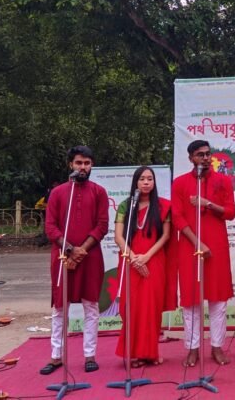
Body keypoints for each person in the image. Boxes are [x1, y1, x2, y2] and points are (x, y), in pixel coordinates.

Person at [40, 146, 109, 375]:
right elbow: (50, 227)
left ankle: (90, 355)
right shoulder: (58, 192)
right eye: (79, 163)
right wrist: (70, 249)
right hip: (62, 256)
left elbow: (102, 226)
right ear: (71, 164)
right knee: (60, 308)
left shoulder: (99, 192)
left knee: (91, 306)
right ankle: (56, 356)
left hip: (90, 257)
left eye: (87, 163)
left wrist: (81, 251)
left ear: (92, 165)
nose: (82, 167)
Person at [171, 140, 235, 367]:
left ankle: (217, 347)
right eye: (200, 154)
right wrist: (198, 242)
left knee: (218, 300)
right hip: (190, 246)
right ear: (191, 158)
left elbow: (230, 213)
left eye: (208, 154)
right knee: (191, 301)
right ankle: (192, 348)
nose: (206, 158)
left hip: (217, 246)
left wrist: (208, 204)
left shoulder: (223, 181)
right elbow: (177, 217)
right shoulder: (180, 183)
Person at [114, 166, 172, 367]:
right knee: (131, 308)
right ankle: (133, 354)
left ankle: (149, 353)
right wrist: (134, 259)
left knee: (151, 308)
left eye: (150, 179)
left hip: (153, 260)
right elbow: (118, 237)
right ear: (135, 182)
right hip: (129, 260)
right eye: (142, 179)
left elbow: (166, 236)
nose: (146, 182)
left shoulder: (163, 206)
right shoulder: (126, 205)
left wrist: (146, 257)